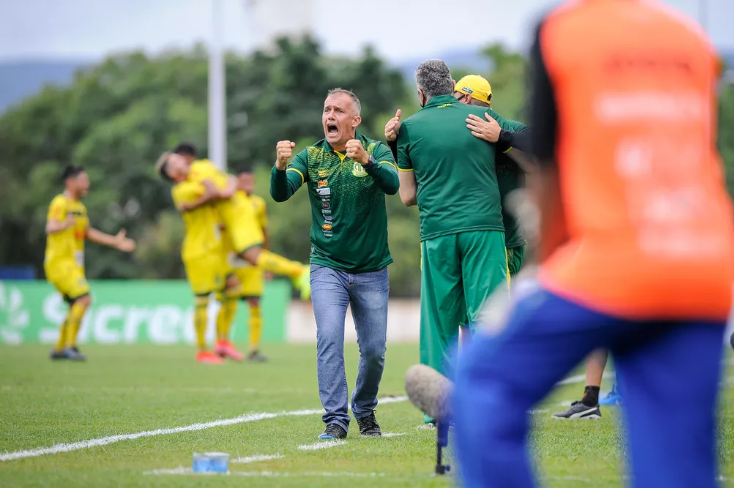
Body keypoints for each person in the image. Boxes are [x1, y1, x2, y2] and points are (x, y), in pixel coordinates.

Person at [452, 1, 734, 487]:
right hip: (704, 264)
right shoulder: (688, 35)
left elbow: (551, 162)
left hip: (619, 261)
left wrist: (544, 269)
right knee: (675, 464)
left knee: (482, 380)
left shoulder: (563, 29)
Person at [389, 60, 527, 396]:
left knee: (441, 322)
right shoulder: (484, 120)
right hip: (485, 229)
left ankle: (439, 404)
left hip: (437, 230)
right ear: (453, 88)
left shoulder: (408, 128)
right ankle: (488, 395)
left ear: (420, 93)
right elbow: (539, 148)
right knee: (488, 315)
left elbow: (407, 197)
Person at [270, 88, 398, 440]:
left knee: (374, 351)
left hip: (372, 270)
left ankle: (365, 409)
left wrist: (368, 163)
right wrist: (280, 167)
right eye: (326, 109)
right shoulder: (310, 156)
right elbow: (281, 192)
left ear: (354, 120)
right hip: (327, 265)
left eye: (338, 110)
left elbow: (393, 185)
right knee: (329, 337)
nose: (330, 115)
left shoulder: (375, 150)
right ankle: (336, 420)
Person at [45, 166, 136, 361]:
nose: (87, 184)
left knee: (75, 304)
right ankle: (70, 347)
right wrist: (64, 224)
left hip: (73, 265)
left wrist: (115, 241)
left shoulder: (80, 208)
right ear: (70, 182)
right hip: (60, 263)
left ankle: (59, 349)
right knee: (84, 299)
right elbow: (51, 227)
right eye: (83, 180)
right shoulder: (60, 203)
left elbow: (88, 233)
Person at [452, 74, 532, 277]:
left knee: (504, 306)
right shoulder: (453, 131)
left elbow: (540, 156)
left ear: (466, 98)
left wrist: (502, 138)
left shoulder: (510, 128)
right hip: (467, 238)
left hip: (507, 240)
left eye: (455, 97)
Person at [229, 168, 270, 362]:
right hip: (233, 261)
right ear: (237, 181)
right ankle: (223, 346)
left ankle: (253, 350)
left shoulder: (258, 203)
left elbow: (264, 231)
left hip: (254, 261)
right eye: (244, 181)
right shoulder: (229, 201)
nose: (249, 185)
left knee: (254, 304)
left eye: (251, 181)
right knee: (227, 303)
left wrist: (267, 261)